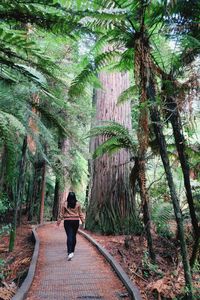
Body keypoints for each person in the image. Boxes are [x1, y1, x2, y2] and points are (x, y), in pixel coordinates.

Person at [57, 192, 85, 261]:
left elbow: (62, 213)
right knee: (74, 236)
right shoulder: (77, 204)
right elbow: (80, 213)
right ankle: (72, 251)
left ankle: (69, 252)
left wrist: (59, 221)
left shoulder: (65, 204)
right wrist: (83, 221)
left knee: (69, 236)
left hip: (67, 221)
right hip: (76, 221)